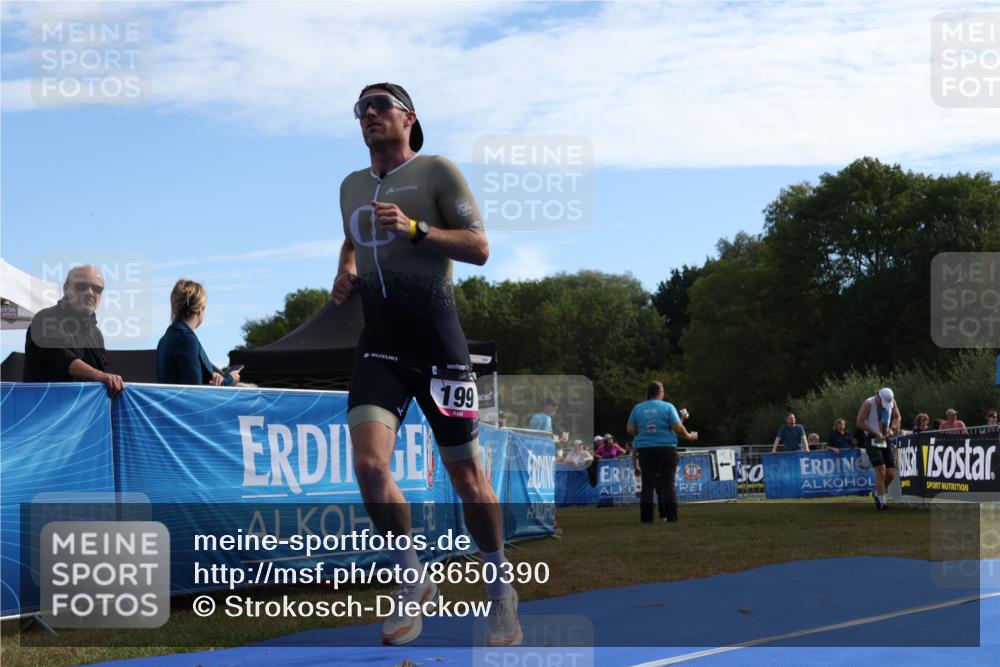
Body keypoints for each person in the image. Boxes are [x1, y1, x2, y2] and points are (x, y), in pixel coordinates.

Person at [330, 82, 518, 647]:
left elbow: (479, 248)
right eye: (361, 108)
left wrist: (415, 229)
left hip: (438, 349)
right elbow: (351, 239)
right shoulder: (350, 186)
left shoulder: (437, 171)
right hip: (379, 345)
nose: (369, 113)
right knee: (369, 465)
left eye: (380, 104)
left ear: (409, 117)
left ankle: (501, 592)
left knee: (467, 478)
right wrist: (345, 270)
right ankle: (412, 577)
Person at [22, 265, 124, 396]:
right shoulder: (44, 319)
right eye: (82, 286)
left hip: (86, 408)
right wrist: (99, 375)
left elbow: (101, 380)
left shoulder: (96, 334)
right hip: (47, 406)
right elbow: (59, 356)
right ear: (66, 289)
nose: (90, 292)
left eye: (97, 289)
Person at [626, 380, 698, 523]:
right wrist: (690, 436)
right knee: (668, 483)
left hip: (645, 449)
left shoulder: (637, 408)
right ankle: (671, 517)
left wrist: (644, 433)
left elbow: (630, 429)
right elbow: (678, 428)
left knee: (647, 485)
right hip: (666, 448)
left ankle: (646, 518)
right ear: (660, 392)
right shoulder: (668, 407)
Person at [155, 279, 241, 386]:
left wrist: (214, 377)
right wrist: (229, 380)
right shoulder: (187, 340)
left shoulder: (164, 340)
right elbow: (194, 390)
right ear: (199, 309)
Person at [856, 387, 901, 511]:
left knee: (891, 473)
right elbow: (859, 422)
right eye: (882, 402)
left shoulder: (892, 401)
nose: (884, 405)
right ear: (878, 397)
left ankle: (877, 493)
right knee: (881, 469)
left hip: (885, 438)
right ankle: (882, 503)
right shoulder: (868, 403)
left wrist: (892, 429)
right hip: (872, 438)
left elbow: (898, 417)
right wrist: (875, 432)